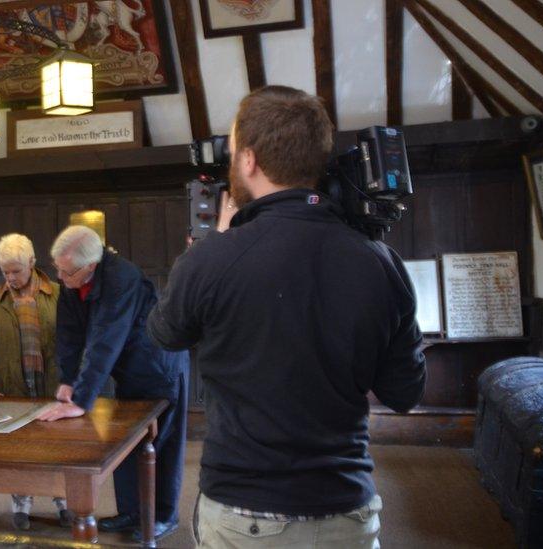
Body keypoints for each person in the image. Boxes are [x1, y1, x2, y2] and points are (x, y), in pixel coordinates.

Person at [147, 85, 427, 548]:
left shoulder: (212, 260)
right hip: (347, 511)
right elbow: (405, 392)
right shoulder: (380, 261)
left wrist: (211, 247)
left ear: (250, 160)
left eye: (234, 152)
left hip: (243, 513)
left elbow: (164, 333)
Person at [37, 225, 189, 543]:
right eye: (57, 270)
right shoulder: (71, 279)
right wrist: (67, 380)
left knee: (161, 444)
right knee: (127, 444)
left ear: (90, 266)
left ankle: (162, 517)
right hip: (129, 371)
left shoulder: (123, 279)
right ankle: (131, 512)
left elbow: (105, 340)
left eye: (66, 272)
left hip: (160, 368)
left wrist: (81, 400)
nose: (60, 279)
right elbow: (69, 334)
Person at [0, 233, 73, 531]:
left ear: (32, 263)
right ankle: (21, 504)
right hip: (12, 387)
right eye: (5, 272)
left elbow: (74, 342)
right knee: (19, 451)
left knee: (58, 450)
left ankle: (64, 503)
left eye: (16, 271)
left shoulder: (59, 294)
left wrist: (72, 382)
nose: (10, 278)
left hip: (53, 387)